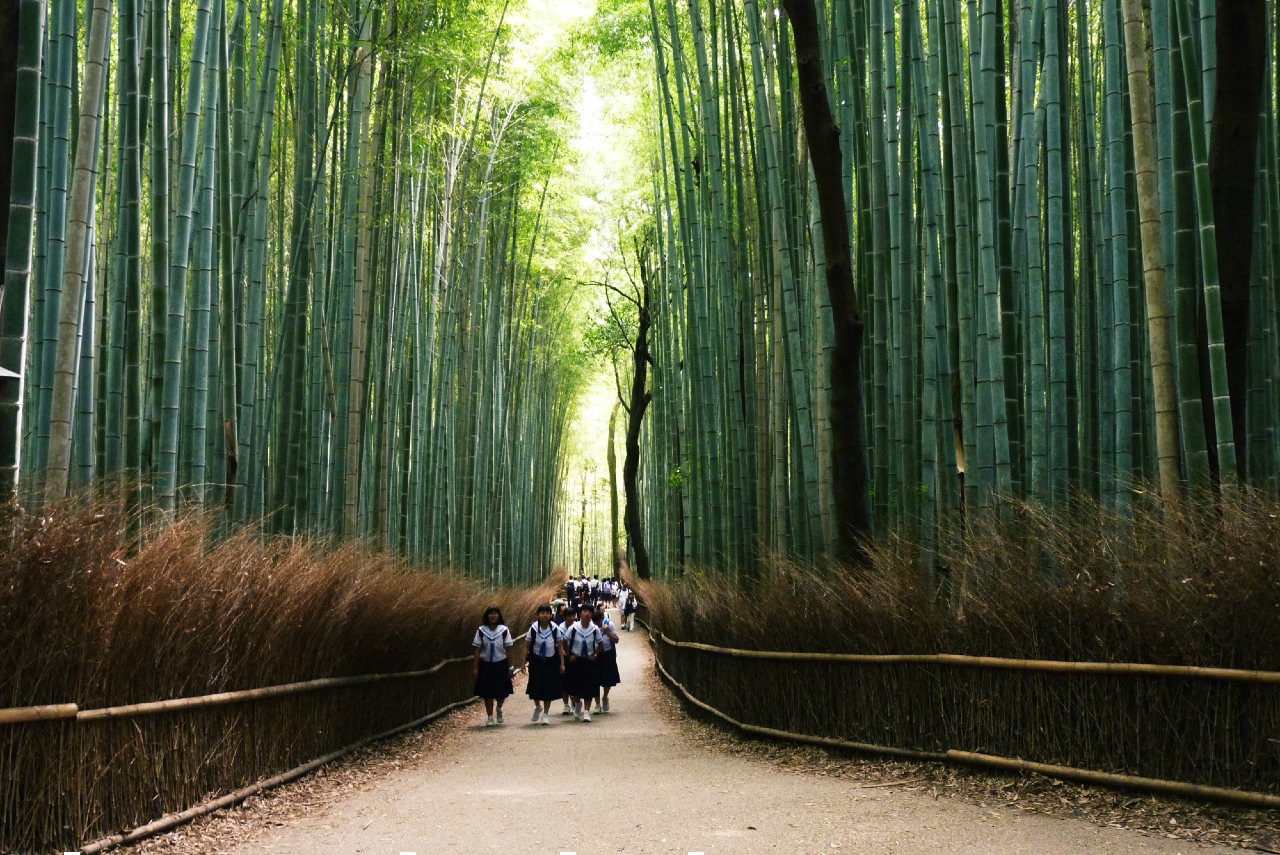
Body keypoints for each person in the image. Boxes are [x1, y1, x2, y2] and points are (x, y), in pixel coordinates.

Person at [472, 606, 515, 726]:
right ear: (487, 616)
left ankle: (499, 708)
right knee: (487, 692)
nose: (493, 616)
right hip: (486, 664)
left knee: (501, 691)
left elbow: (509, 649)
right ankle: (490, 717)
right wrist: (475, 667)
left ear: (499, 616)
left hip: (501, 663)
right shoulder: (481, 630)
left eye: (495, 614)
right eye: (490, 614)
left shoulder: (504, 630)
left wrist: (511, 667)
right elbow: (477, 650)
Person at [524, 604, 565, 725]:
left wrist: (562, 663)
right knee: (535, 685)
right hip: (536, 660)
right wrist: (522, 663)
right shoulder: (533, 628)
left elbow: (560, 646)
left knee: (548, 687)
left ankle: (546, 714)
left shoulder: (555, 628)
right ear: (538, 615)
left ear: (550, 615)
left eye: (547, 613)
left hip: (550, 660)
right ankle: (538, 706)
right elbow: (526, 646)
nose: (544, 615)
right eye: (542, 613)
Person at [563, 603, 603, 722]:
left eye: (589, 612)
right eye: (584, 611)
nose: (587, 614)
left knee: (589, 686)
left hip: (589, 660)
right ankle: (577, 703)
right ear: (580, 613)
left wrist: (595, 655)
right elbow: (564, 641)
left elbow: (600, 644)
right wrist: (570, 655)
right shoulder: (574, 628)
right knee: (575, 687)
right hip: (577, 660)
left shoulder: (594, 629)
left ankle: (586, 711)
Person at [593, 607, 621, 713]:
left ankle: (605, 697)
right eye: (595, 622)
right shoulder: (591, 627)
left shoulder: (609, 624)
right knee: (595, 679)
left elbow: (616, 640)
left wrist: (607, 631)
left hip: (608, 654)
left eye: (599, 621)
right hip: (596, 654)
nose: (597, 624)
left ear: (602, 618)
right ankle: (597, 704)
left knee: (607, 679)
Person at [557, 606, 575, 715]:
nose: (572, 618)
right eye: (569, 616)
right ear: (564, 617)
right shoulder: (560, 628)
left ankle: (574, 699)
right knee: (563, 681)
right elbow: (559, 643)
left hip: (575, 656)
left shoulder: (578, 626)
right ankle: (565, 705)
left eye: (573, 616)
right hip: (564, 657)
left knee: (574, 680)